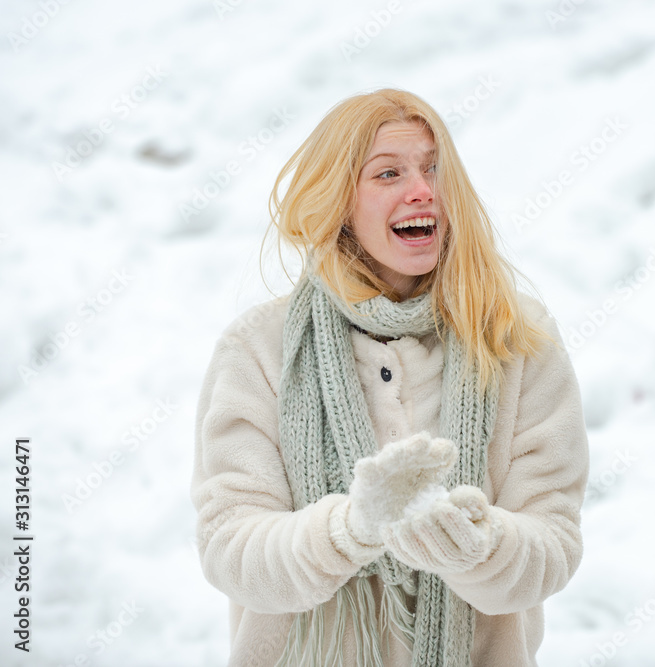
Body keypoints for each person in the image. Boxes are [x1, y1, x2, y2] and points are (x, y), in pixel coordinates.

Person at [190, 88, 589, 667]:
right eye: (387, 174)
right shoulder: (258, 350)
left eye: (433, 168)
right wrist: (348, 530)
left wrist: (478, 546)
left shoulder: (518, 338)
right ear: (338, 202)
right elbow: (230, 548)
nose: (422, 189)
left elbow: (553, 544)